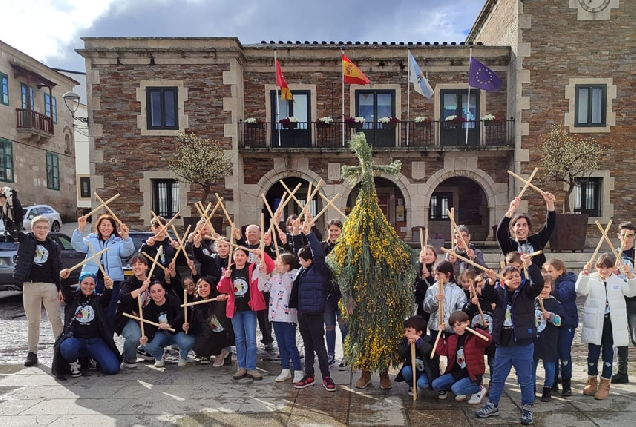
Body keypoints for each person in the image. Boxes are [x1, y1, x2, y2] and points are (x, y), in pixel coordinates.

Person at [476, 255, 543, 425]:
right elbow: (486, 295)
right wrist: (490, 281)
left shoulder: (527, 291)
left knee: (525, 379)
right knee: (498, 377)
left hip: (523, 343)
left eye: (517, 276)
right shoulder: (499, 292)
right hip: (503, 344)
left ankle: (527, 407)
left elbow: (538, 284)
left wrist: (530, 265)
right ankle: (492, 404)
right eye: (510, 277)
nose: (515, 279)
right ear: (503, 280)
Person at [576, 253, 636, 400]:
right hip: (595, 322)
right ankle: (592, 381)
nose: (603, 271)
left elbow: (631, 292)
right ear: (596, 267)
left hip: (611, 323)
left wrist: (630, 276)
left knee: (608, 353)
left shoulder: (618, 281)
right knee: (592, 353)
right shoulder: (591, 279)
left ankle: (605, 384)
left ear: (613, 268)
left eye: (607, 268)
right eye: (601, 267)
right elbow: (581, 290)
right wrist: (584, 275)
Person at [290, 221, 336, 392]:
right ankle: (309, 375)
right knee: (307, 346)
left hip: (315, 314)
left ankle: (326, 376)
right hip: (303, 314)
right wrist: (297, 233)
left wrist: (309, 234)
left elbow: (317, 252)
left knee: (319, 347)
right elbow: (299, 250)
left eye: (302, 260)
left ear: (310, 260)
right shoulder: (303, 270)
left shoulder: (320, 270)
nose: (299, 261)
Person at [13, 215, 64, 367]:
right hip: (30, 285)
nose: (42, 230)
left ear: (49, 229)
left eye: (45, 228)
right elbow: (12, 229)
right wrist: (7, 207)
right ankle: (32, 352)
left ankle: (61, 350)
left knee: (55, 319)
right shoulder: (26, 240)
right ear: (33, 228)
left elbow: (58, 266)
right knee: (33, 321)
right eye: (39, 227)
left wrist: (60, 287)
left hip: (50, 286)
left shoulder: (53, 245)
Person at [217, 248, 275, 380]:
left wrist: (262, 254)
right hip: (235, 310)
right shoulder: (229, 271)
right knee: (239, 339)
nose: (239, 258)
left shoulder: (253, 269)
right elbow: (221, 288)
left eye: (242, 255)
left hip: (249, 309)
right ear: (233, 257)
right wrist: (225, 277)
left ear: (247, 258)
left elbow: (270, 267)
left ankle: (251, 367)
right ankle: (241, 367)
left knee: (251, 339)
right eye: (237, 255)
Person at [71, 214, 135, 334]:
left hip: (111, 282)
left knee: (109, 312)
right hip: (91, 282)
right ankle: (90, 337)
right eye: (103, 225)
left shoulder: (117, 241)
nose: (106, 228)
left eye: (109, 225)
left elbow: (127, 252)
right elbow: (77, 246)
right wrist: (80, 228)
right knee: (89, 310)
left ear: (113, 227)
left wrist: (126, 237)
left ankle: (108, 339)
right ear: (98, 226)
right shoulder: (91, 239)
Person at [52, 271, 121, 379]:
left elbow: (107, 298)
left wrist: (108, 288)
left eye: (91, 284)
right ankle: (74, 363)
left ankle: (91, 358)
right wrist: (63, 279)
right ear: (79, 283)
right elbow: (65, 290)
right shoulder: (72, 298)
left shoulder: (98, 299)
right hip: (76, 339)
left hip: (95, 340)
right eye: (85, 283)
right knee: (67, 346)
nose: (88, 287)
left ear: (95, 285)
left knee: (112, 368)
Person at [258, 253, 303, 383]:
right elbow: (262, 287)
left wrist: (284, 274)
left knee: (290, 344)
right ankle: (285, 369)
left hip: (288, 317)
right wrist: (262, 273)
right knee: (281, 344)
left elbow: (289, 289)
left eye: (279, 263)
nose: (276, 265)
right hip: (275, 316)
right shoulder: (274, 278)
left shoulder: (294, 276)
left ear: (287, 266)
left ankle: (298, 370)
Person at [432, 311, 492, 406]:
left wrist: (475, 330)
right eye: (454, 327)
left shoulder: (475, 336)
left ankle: (479, 389)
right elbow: (441, 351)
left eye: (459, 325)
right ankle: (462, 388)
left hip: (472, 375)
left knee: (456, 389)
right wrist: (440, 334)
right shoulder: (452, 338)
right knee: (436, 384)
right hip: (457, 373)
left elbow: (488, 340)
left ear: (467, 322)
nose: (457, 328)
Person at [139, 280, 195, 368]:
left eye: (159, 290)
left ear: (164, 291)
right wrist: (146, 337)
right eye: (153, 292)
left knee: (187, 341)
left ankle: (183, 355)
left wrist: (170, 324)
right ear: (150, 294)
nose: (157, 294)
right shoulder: (148, 309)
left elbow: (182, 315)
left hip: (177, 332)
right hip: (161, 335)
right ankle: (159, 356)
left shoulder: (174, 301)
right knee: (146, 345)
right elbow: (148, 327)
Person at [236, 224, 275, 351]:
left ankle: (267, 339)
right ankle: (247, 340)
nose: (251, 234)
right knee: (246, 313)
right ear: (245, 234)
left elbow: (271, 261)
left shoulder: (264, 246)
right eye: (249, 232)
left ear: (259, 234)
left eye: (254, 232)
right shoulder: (242, 247)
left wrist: (267, 246)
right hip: (245, 285)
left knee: (264, 315)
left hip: (261, 285)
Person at [543, 258, 578, 396]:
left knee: (564, 353)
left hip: (566, 322)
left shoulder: (568, 283)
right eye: (546, 271)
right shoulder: (548, 282)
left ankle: (566, 382)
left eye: (550, 271)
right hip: (552, 323)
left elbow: (562, 295)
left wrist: (547, 289)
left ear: (560, 271)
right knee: (552, 352)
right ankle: (553, 380)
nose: (548, 274)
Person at [496, 192, 556, 269]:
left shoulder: (536, 241)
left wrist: (550, 202)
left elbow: (550, 225)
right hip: (516, 276)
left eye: (524, 225)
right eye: (518, 225)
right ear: (513, 228)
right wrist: (511, 210)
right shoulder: (509, 244)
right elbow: (501, 232)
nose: (521, 228)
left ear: (528, 227)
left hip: (535, 275)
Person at [114, 254, 151, 368]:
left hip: (148, 317)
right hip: (128, 317)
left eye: (140, 264)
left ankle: (145, 350)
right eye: (134, 265)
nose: (136, 267)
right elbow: (123, 298)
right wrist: (141, 289)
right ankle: (128, 358)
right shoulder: (129, 282)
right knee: (134, 336)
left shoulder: (153, 280)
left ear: (146, 266)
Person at [189, 276, 233, 366]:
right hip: (207, 332)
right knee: (197, 346)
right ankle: (215, 351)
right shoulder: (196, 303)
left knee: (216, 333)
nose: (203, 289)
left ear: (211, 287)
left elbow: (223, 320)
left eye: (206, 285)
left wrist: (222, 301)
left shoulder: (218, 298)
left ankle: (223, 351)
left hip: (221, 332)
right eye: (200, 287)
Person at [322, 219, 348, 369]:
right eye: (331, 230)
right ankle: (330, 354)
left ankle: (346, 355)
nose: (333, 233)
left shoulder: (347, 247)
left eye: (336, 230)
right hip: (327, 294)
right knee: (329, 325)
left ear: (341, 231)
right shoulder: (324, 247)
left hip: (342, 293)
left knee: (344, 326)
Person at [532, 274, 562, 402]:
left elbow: (560, 322)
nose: (543, 290)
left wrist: (550, 316)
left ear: (551, 288)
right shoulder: (532, 301)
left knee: (549, 365)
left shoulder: (555, 303)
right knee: (531, 365)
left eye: (546, 287)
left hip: (549, 339)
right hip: (534, 339)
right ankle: (531, 387)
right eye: (541, 287)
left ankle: (547, 388)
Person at [613, 221, 636, 384]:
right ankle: (622, 373)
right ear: (618, 236)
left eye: (630, 235)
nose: (627, 238)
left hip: (635, 300)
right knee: (619, 337)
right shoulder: (613, 255)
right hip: (619, 300)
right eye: (624, 235)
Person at [397, 315, 435, 397]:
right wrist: (407, 345)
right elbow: (401, 353)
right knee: (406, 371)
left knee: (422, 384)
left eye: (409, 331)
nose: (406, 333)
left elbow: (428, 350)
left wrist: (418, 341)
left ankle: (435, 386)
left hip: (426, 371)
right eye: (405, 330)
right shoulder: (406, 340)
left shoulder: (427, 339)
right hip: (414, 369)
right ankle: (412, 386)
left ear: (419, 332)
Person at [414, 245, 437, 323]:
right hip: (420, 302)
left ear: (435, 257)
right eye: (425, 254)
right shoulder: (417, 268)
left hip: (432, 302)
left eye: (430, 254)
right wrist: (420, 264)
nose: (427, 256)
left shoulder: (436, 270)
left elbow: (437, 284)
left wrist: (429, 277)